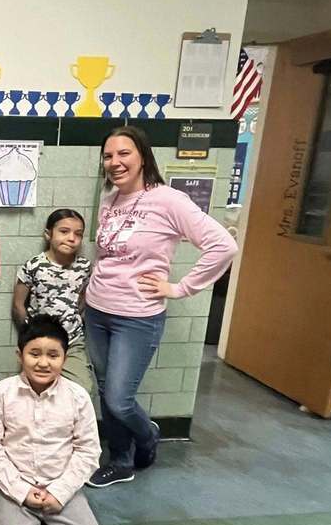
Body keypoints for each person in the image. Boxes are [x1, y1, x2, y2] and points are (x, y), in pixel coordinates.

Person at [85, 126, 237, 488]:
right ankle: (120, 461)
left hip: (137, 316)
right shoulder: (109, 199)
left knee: (120, 400)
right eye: (108, 156)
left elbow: (222, 246)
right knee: (106, 391)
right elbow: (107, 254)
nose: (115, 162)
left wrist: (180, 287)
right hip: (97, 309)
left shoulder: (169, 200)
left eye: (124, 153)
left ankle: (148, 435)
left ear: (142, 156)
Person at [0, 316, 110, 525]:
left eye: (53, 355)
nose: (43, 362)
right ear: (20, 355)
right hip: (17, 486)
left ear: (64, 358)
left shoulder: (77, 396)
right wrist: (21, 490)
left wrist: (60, 492)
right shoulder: (2, 393)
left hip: (60, 488)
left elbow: (88, 451)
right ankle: (6, 512)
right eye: (34, 354)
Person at [12, 208, 94, 394]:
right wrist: (29, 334)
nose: (71, 238)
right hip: (39, 339)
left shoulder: (84, 267)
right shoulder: (34, 265)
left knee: (82, 389)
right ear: (48, 234)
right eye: (64, 231)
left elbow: (82, 301)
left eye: (78, 234)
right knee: (34, 390)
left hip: (72, 341)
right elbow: (18, 305)